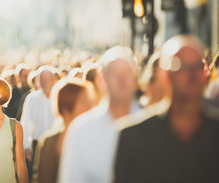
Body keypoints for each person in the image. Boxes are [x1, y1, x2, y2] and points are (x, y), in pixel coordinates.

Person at [114, 35, 219, 183]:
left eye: (197, 66)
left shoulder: (215, 132)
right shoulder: (133, 137)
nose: (191, 74)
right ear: (164, 74)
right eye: (180, 65)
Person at [58, 46, 141, 183]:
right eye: (115, 74)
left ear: (135, 78)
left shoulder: (155, 126)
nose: (121, 80)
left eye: (127, 73)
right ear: (102, 79)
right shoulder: (81, 131)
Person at [32, 78, 93, 183]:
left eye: (89, 100)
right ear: (67, 105)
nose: (89, 106)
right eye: (83, 101)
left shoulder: (95, 137)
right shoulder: (50, 143)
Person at [20, 66, 58, 180]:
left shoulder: (58, 95)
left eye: (47, 79)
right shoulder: (32, 98)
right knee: (39, 176)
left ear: (53, 79)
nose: (44, 82)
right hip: (37, 144)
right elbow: (25, 122)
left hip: (56, 143)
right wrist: (26, 146)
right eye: (42, 80)